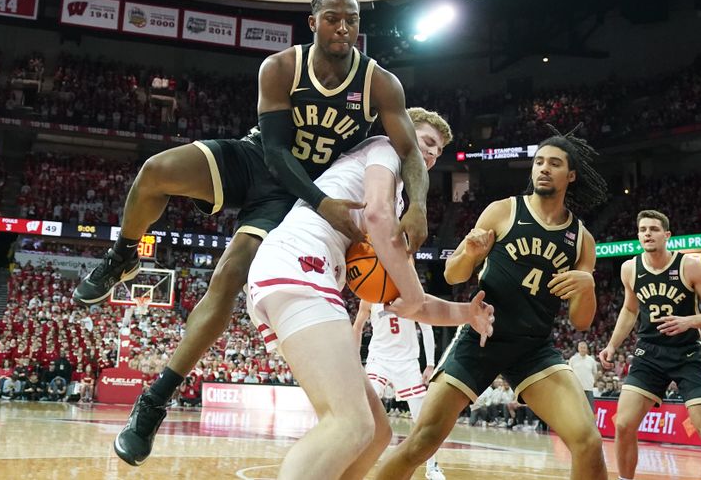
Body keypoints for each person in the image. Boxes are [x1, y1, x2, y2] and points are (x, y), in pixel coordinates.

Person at [109, 0, 431, 466]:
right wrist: (324, 204)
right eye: (333, 19)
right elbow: (279, 153)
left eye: (352, 20)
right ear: (313, 22)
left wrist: (420, 208)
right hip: (266, 161)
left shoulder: (380, 83)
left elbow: (408, 151)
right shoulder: (280, 67)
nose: (344, 28)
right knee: (157, 170)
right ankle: (123, 254)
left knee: (231, 272)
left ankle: (152, 403)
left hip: (294, 194)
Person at [246, 109, 494, 480]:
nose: (429, 155)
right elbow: (377, 218)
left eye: (437, 151)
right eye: (426, 142)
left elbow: (413, 301)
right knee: (350, 425)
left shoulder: (394, 198)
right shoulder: (386, 148)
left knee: (377, 432)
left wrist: (466, 314)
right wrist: (411, 295)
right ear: (404, 132)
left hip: (297, 276)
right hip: (299, 266)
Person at [375, 125, 610, 480]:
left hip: (533, 348)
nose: (544, 168)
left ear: (571, 175)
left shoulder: (581, 240)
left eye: (555, 163)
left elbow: (580, 322)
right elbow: (454, 276)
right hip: (481, 337)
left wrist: (587, 286)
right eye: (539, 162)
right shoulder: (504, 211)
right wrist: (469, 254)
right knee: (422, 441)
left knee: (588, 441)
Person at [598, 210, 701, 480]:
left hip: (687, 354)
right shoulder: (630, 268)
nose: (647, 234)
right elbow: (630, 311)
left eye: (653, 229)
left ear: (667, 235)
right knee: (624, 424)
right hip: (648, 353)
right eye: (642, 229)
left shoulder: (690, 266)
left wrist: (689, 321)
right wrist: (612, 345)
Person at [353, 294, 445, 479]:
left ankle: (432, 466)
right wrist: (354, 359)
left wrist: (430, 364)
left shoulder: (410, 292)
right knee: (365, 408)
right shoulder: (369, 295)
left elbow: (426, 328)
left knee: (422, 418)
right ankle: (353, 459)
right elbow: (357, 326)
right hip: (379, 359)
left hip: (407, 362)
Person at [569, 340, 598, 410]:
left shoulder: (591, 360)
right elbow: (569, 373)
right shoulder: (573, 359)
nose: (582, 349)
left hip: (588, 388)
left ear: (587, 349)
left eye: (584, 347)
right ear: (578, 348)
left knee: (590, 410)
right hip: (576, 388)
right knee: (576, 409)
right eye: (581, 347)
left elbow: (595, 373)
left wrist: (592, 382)